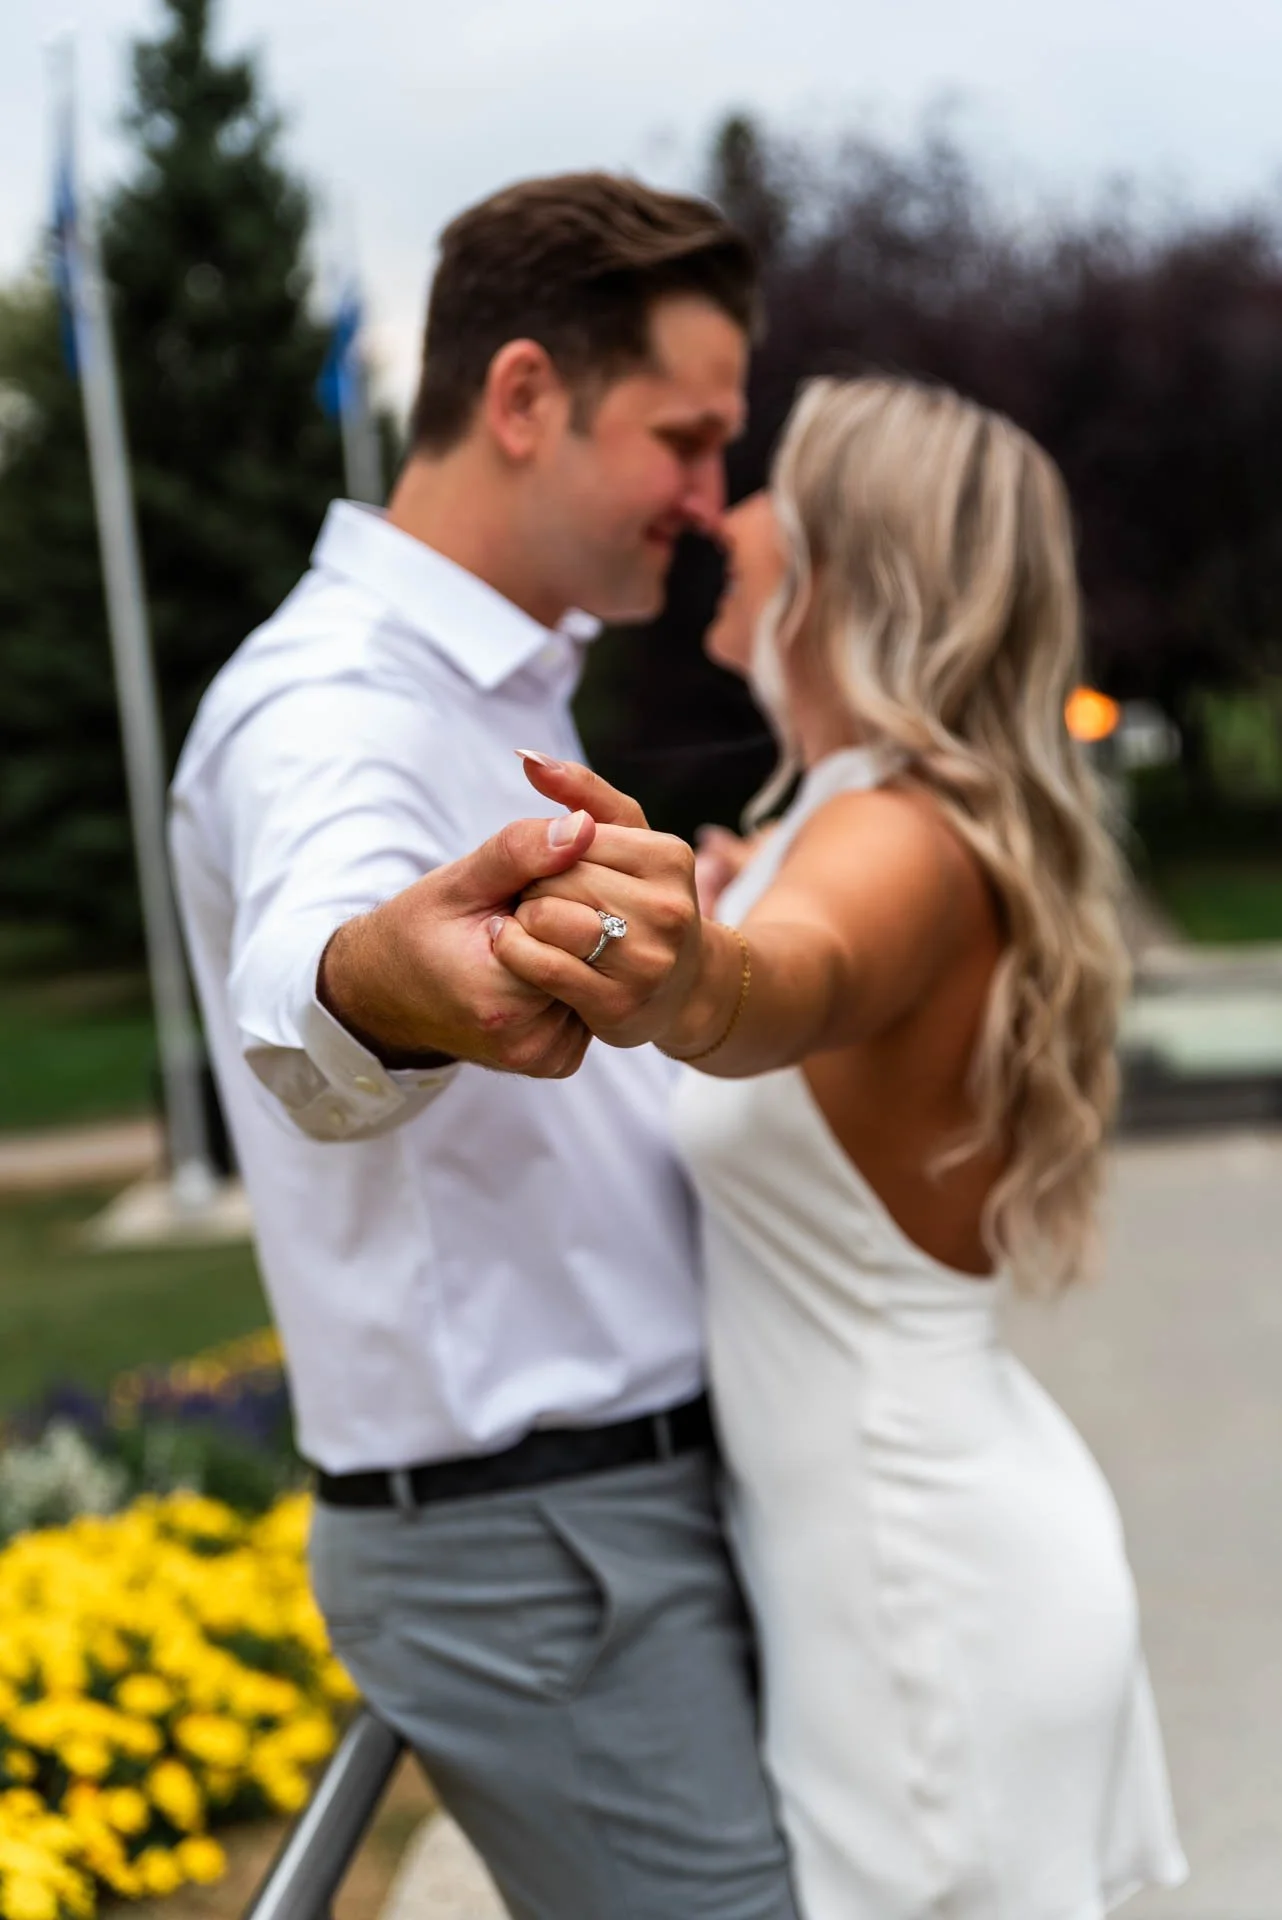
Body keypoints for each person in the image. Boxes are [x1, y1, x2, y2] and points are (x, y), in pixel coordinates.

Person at [169, 174, 803, 1920]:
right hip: (541, 1544)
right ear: (523, 398)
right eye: (684, 437)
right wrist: (384, 980)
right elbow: (318, 966)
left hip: (602, 1517)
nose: (712, 495)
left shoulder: (496, 683)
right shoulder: (335, 699)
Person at [493, 375, 1189, 1917]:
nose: (722, 515)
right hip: (894, 1559)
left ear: (843, 560)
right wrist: (731, 895)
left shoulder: (893, 836)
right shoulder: (848, 820)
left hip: (915, 1588)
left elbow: (781, 987)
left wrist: (687, 965)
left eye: (766, 487)